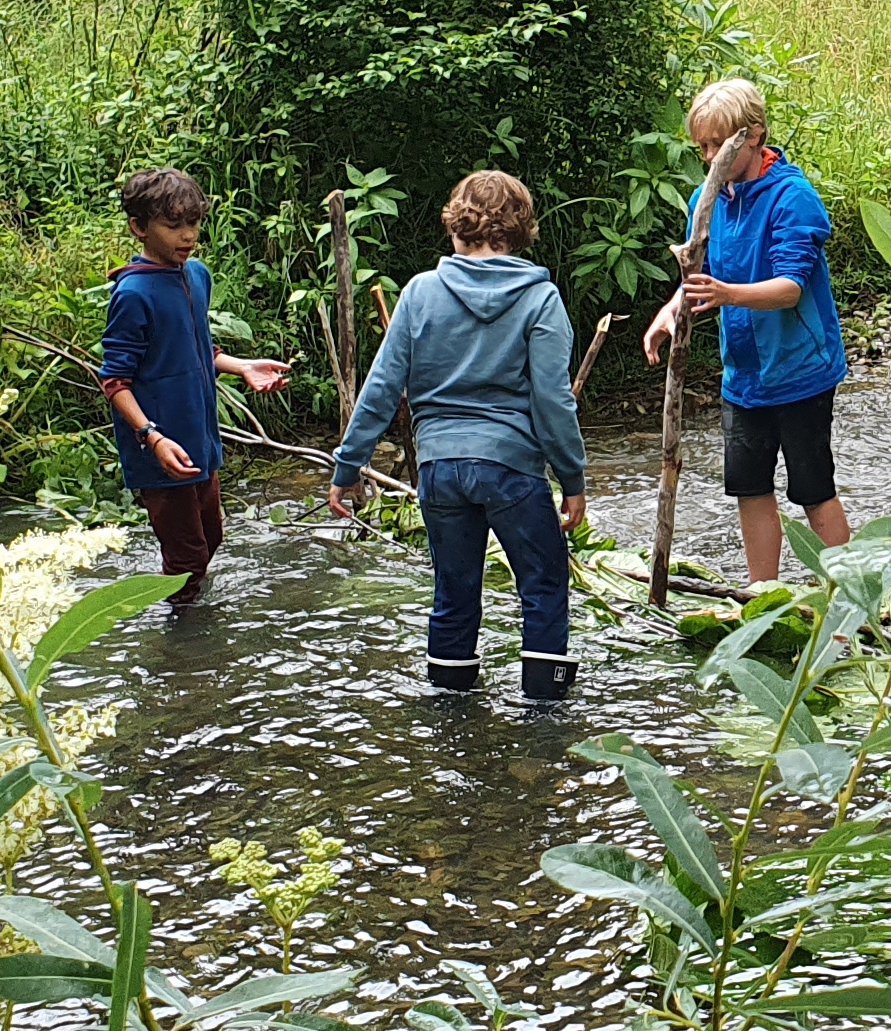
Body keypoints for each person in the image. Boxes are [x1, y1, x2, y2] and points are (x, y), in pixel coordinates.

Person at [326, 171, 591, 699]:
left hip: (440, 470)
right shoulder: (541, 299)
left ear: (455, 227)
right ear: (521, 231)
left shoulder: (421, 292)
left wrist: (347, 468)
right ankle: (544, 718)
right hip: (512, 469)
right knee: (542, 586)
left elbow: (381, 388)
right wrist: (572, 477)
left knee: (453, 592)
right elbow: (553, 400)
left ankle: (451, 715)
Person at [642, 77, 851, 585]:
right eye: (704, 148)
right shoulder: (707, 201)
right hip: (745, 375)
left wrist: (727, 294)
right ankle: (763, 594)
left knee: (812, 487)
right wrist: (671, 311)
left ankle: (853, 594)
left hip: (801, 369)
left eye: (721, 145)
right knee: (749, 486)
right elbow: (701, 275)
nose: (711, 157)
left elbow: (790, 289)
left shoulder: (792, 198)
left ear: (753, 136)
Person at [100, 166, 290, 598]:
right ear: (139, 228)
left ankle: (184, 627)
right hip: (162, 449)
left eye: (193, 223)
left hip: (199, 441)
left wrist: (241, 366)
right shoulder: (132, 295)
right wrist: (151, 437)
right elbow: (114, 379)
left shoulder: (196, 275)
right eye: (173, 226)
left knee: (210, 541)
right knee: (187, 562)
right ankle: (178, 652)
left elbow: (194, 344)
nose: (187, 236)